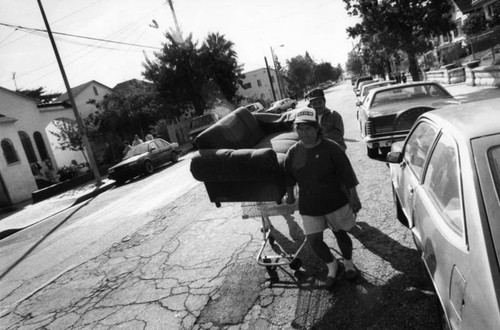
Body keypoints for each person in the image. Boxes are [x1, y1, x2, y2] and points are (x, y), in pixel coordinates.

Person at [284, 108, 362, 289]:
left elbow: (347, 174)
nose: (305, 133)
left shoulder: (331, 148)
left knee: (340, 233)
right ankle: (332, 265)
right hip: (309, 205)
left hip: (335, 201)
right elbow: (288, 177)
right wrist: (289, 194)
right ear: (296, 130)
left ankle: (348, 264)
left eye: (309, 129)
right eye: (301, 129)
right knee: (314, 241)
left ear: (316, 128)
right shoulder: (293, 152)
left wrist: (354, 197)